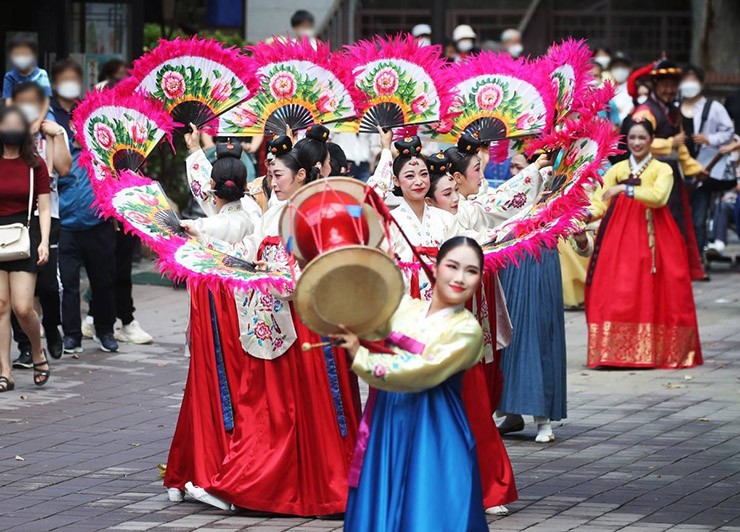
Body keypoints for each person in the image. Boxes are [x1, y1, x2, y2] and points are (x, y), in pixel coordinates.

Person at [181, 125, 360, 516]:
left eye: (277, 174)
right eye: (269, 174)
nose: (271, 182)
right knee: (276, 412)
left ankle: (316, 488)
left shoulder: (316, 210)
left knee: (302, 412)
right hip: (280, 325)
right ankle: (272, 486)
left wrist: (275, 277)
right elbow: (255, 254)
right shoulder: (273, 211)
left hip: (310, 325)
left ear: (300, 175)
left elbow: (320, 269)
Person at [337, 237, 489, 532]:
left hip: (434, 428)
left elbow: (420, 369)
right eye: (452, 267)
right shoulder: (406, 308)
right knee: (382, 503)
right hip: (388, 422)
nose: (460, 278)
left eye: (471, 271)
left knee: (430, 510)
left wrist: (360, 356)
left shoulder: (467, 329)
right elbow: (367, 311)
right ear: (435, 268)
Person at [164, 129, 258, 503]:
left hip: (212, 312)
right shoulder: (254, 213)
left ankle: (194, 471)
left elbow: (201, 198)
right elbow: (209, 193)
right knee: (235, 387)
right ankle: (206, 468)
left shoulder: (202, 227)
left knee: (206, 386)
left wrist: (194, 150)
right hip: (245, 311)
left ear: (214, 192)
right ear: (245, 185)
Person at [586, 118, 702, 369]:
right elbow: (599, 201)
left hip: (654, 237)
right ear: (626, 141)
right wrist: (584, 215)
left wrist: (624, 191)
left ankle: (653, 352)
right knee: (618, 290)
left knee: (656, 290)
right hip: (618, 237)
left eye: (642, 138)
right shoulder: (616, 170)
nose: (637, 143)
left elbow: (658, 198)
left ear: (651, 140)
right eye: (632, 138)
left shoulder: (663, 170)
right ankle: (615, 352)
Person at [624, 59, 707, 281]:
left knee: (675, 223)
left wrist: (694, 168)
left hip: (672, 177)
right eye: (664, 85)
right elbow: (636, 142)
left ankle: (672, 268)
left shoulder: (673, 111)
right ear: (655, 86)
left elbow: (681, 150)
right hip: (649, 175)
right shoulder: (645, 112)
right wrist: (669, 142)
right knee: (653, 223)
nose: (669, 90)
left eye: (672, 85)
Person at [10, 81, 70, 368]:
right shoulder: (7, 132)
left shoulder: (52, 130)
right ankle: (24, 346)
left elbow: (65, 168)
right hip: (13, 221)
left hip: (49, 216)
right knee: (13, 290)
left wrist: (56, 136)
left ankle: (53, 327)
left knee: (47, 283)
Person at [0, 106, 51, 392]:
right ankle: (5, 371)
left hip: (23, 234)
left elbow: (44, 206)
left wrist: (44, 241)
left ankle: (37, 350)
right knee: (0, 307)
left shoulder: (35, 164)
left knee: (22, 307)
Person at [58, 139, 118, 354]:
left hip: (98, 225)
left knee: (103, 282)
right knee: (69, 284)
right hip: (66, 227)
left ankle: (105, 331)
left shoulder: (103, 152)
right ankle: (72, 336)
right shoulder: (62, 153)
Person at [679, 65, 735, 255]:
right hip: (678, 169)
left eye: (693, 79)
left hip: (703, 169)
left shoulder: (713, 107)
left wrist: (709, 139)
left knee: (698, 217)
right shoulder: (674, 107)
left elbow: (729, 131)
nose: (689, 84)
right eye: (685, 79)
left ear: (701, 83)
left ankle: (697, 259)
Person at [3, 35, 51, 134]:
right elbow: (9, 102)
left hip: (43, 114)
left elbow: (46, 101)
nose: (21, 57)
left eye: (25, 54)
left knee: (51, 127)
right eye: (17, 54)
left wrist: (39, 121)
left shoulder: (42, 74)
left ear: (33, 55)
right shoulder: (9, 77)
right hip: (18, 114)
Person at [49, 58, 84, 138]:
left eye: (73, 79)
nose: (70, 84)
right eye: (65, 79)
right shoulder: (47, 109)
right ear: (54, 84)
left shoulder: (88, 108)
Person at [610, 51, 634, 122]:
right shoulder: (606, 89)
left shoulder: (634, 89)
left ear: (630, 68)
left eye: (622, 66)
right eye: (616, 67)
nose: (619, 70)